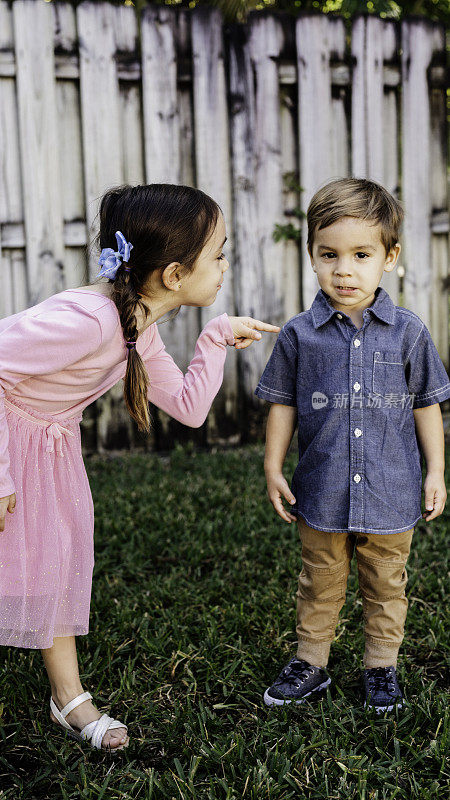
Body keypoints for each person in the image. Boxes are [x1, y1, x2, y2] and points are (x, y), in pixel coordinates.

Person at [0, 183, 280, 751]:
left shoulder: (136, 326)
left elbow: (189, 408)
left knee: (52, 561)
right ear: (174, 274)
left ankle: (68, 697)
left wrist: (216, 338)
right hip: (8, 441)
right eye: (219, 254)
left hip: (45, 450)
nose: (225, 266)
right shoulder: (90, 319)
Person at [255, 177, 450, 714]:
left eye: (361, 254)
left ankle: (381, 666)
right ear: (312, 257)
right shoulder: (299, 334)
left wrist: (436, 472)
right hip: (320, 490)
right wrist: (274, 467)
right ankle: (310, 663)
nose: (344, 269)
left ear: (389, 257)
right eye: (329, 254)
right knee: (320, 579)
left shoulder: (408, 332)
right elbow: (283, 404)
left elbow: (426, 404)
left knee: (386, 583)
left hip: (391, 492)